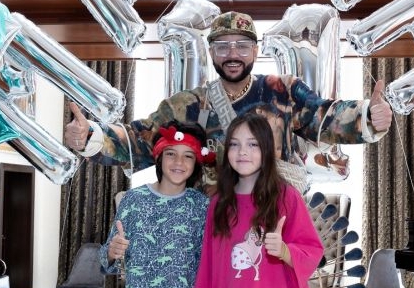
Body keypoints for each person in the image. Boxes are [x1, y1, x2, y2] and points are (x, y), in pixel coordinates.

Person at [65, 11, 393, 191]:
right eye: (222, 46)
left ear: (256, 50)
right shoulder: (186, 104)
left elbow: (326, 117)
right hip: (209, 226)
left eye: (242, 46)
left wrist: (368, 116)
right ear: (211, 53)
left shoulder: (282, 90)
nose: (232, 54)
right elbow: (140, 140)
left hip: (272, 222)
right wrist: (91, 136)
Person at [191, 113, 323, 288]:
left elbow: (312, 252)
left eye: (252, 144)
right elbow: (208, 268)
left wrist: (284, 251)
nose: (242, 152)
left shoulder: (287, 197)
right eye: (234, 144)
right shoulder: (218, 203)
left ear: (266, 149)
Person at [99, 121, 212, 288]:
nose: (179, 162)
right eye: (171, 153)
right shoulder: (133, 199)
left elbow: (210, 264)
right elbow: (106, 260)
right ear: (159, 157)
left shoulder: (202, 206)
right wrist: (112, 252)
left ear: (196, 162)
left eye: (188, 156)